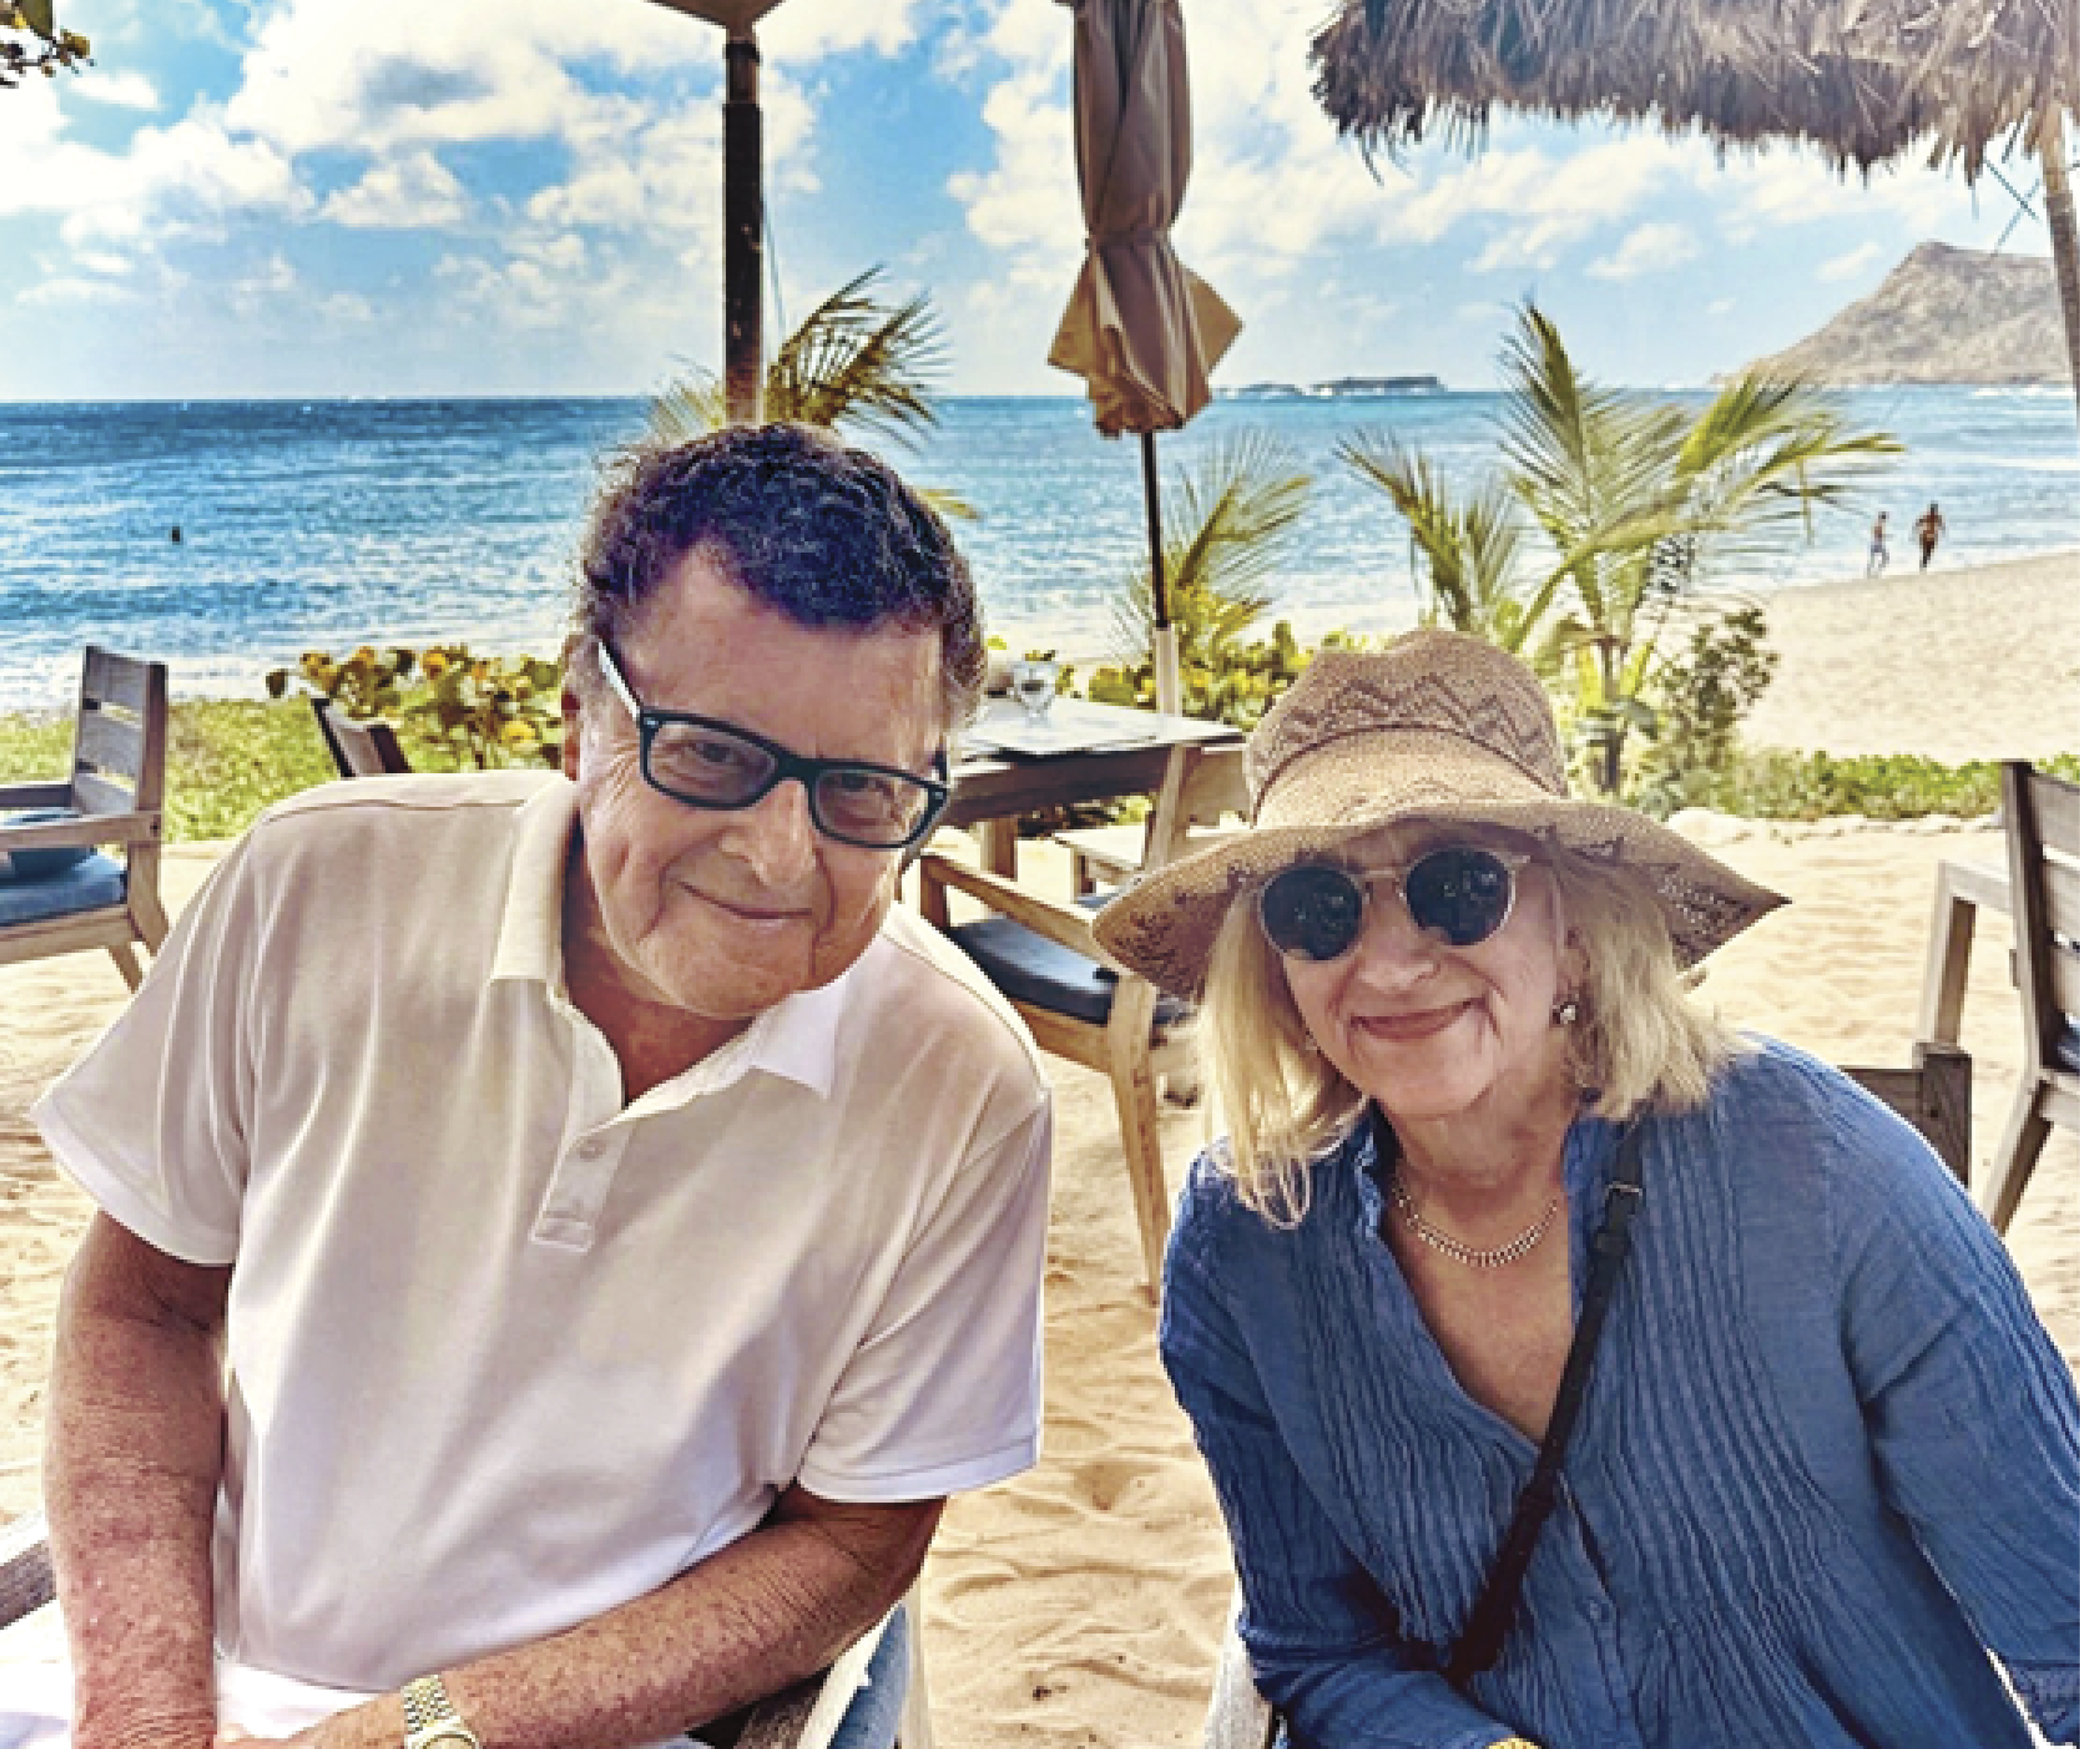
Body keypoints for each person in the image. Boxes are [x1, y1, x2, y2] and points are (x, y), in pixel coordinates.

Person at [19, 423, 1053, 1749]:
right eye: (712, 756)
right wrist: (149, 1714)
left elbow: (856, 1544)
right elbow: (143, 1311)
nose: (783, 855)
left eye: (860, 789)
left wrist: (422, 1730)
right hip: (217, 1673)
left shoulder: (961, 1082)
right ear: (582, 721)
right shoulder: (316, 883)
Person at [1093, 628, 2080, 1749]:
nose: (1390, 961)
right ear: (1273, 962)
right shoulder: (1245, 1247)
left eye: (1455, 887)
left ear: (1573, 930)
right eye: (1317, 905)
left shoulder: (1815, 1170)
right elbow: (1319, 1646)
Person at [1916, 501, 1947, 570]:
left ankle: (1923, 566)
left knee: (1929, 553)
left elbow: (1942, 525)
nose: (1933, 511)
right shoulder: (1927, 516)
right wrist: (1917, 530)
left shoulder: (1937, 517)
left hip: (1931, 537)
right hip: (1925, 536)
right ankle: (1923, 567)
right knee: (1925, 553)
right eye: (1932, 510)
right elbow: (1918, 522)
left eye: (1934, 510)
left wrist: (1942, 530)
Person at [1866, 510, 1888, 575]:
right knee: (1886, 558)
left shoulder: (1877, 524)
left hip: (1874, 543)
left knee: (1872, 560)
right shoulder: (1880, 525)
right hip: (1878, 544)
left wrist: (1883, 536)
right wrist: (1886, 536)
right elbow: (1879, 535)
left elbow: (1873, 533)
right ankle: (1877, 571)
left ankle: (1869, 572)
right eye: (1885, 518)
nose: (1886, 520)